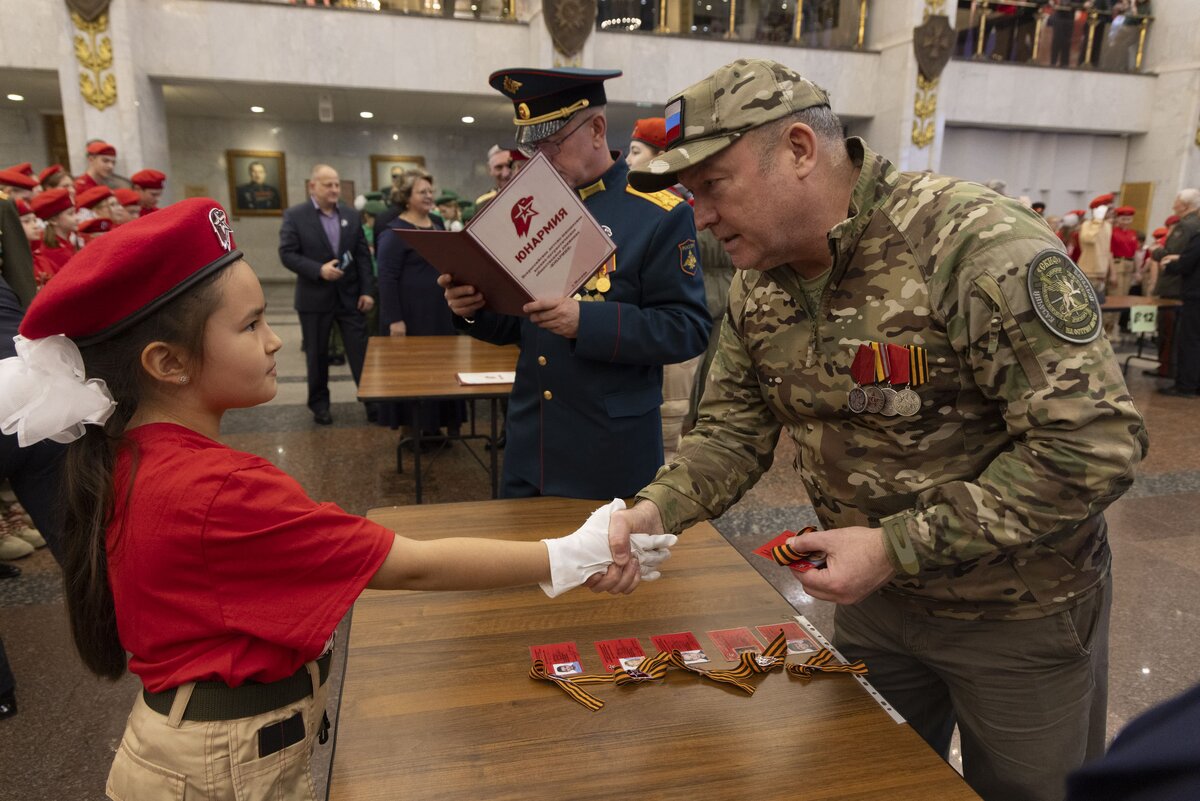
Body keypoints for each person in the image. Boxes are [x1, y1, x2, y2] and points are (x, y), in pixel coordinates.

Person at [594, 58, 1147, 801]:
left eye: (712, 186)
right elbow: (728, 432)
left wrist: (895, 545)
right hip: (877, 612)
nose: (698, 214)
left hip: (1021, 617)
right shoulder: (762, 282)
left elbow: (1093, 447)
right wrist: (651, 511)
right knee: (865, 783)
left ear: (797, 149)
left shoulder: (973, 245)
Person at [0, 198, 674, 794]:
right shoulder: (217, 488)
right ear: (167, 362)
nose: (273, 342)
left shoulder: (129, 452)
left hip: (192, 746)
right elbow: (409, 562)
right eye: (250, 325)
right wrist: (574, 551)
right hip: (222, 770)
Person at [440, 67, 711, 500]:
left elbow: (687, 328)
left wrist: (586, 321)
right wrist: (474, 310)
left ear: (597, 129)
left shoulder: (658, 213)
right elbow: (522, 323)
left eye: (551, 143)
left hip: (609, 452)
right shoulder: (531, 207)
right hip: (534, 445)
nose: (538, 159)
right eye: (531, 147)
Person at [624, 116, 724, 461]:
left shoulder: (678, 209)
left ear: (660, 156)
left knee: (671, 424)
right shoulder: (642, 207)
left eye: (636, 151)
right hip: (670, 320)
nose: (627, 160)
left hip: (694, 317)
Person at [278, 164, 375, 425]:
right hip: (314, 299)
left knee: (360, 352)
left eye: (336, 184)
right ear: (313, 186)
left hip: (350, 297)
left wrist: (367, 291)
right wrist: (318, 270)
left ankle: (372, 403)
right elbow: (287, 253)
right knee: (317, 355)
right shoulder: (295, 216)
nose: (334, 190)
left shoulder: (352, 216)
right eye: (328, 185)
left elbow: (363, 257)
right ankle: (320, 405)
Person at [376, 170, 464, 439]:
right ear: (406, 197)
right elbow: (386, 279)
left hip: (439, 313)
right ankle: (415, 430)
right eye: (422, 192)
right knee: (414, 373)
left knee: (442, 368)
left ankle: (437, 426)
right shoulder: (394, 232)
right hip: (411, 316)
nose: (429, 196)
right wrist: (395, 320)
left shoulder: (437, 223)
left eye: (430, 191)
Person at [30, 188, 78, 289]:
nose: (76, 218)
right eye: (70, 214)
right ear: (53, 220)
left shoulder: (68, 242)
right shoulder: (51, 249)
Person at [473, 144, 516, 209]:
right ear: (490, 170)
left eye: (510, 166)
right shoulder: (484, 205)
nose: (506, 174)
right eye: (499, 167)